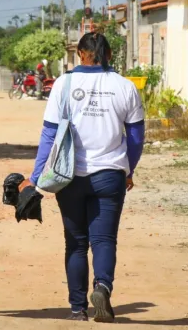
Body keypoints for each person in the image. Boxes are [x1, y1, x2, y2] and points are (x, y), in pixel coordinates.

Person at [20, 32, 145, 322]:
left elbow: (50, 134)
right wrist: (129, 168)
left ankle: (78, 308)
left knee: (75, 242)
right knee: (104, 240)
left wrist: (36, 177)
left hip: (69, 177)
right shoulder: (124, 87)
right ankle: (102, 286)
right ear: (110, 55)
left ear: (80, 54)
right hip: (110, 175)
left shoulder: (64, 84)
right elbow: (136, 137)